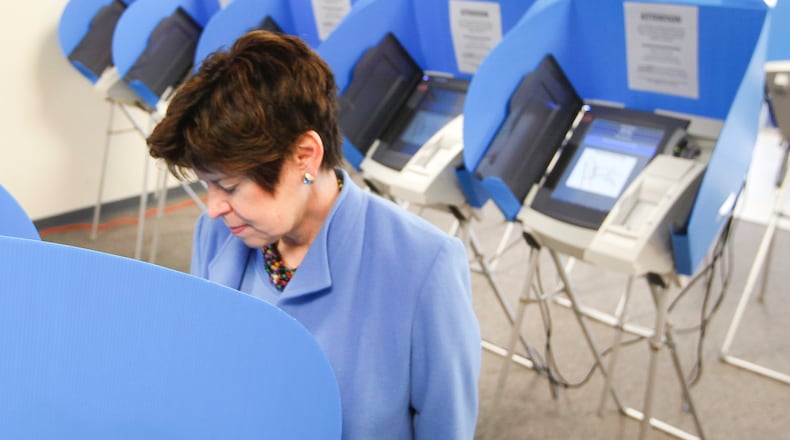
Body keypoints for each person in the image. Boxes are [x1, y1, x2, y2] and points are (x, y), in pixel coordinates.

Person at [147, 30, 481, 439]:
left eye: (230, 187)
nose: (213, 206)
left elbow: (445, 427)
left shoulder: (423, 266)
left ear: (305, 155)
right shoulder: (216, 235)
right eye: (207, 186)